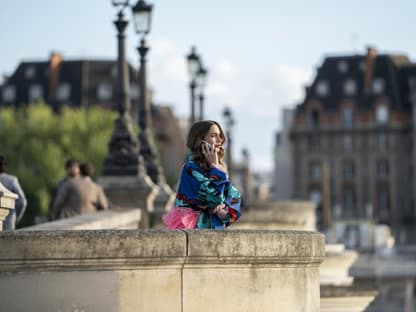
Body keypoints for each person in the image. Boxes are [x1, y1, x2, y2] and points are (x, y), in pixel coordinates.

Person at [163, 120, 241, 229]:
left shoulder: (219, 169)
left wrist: (224, 214)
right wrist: (215, 166)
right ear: (201, 141)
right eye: (214, 136)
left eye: (220, 136)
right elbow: (213, 198)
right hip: (193, 229)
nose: (220, 140)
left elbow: (235, 198)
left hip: (215, 232)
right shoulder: (190, 168)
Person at [0, 155, 27, 230]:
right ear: (4, 165)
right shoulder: (12, 180)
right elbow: (22, 202)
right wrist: (15, 216)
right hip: (9, 222)